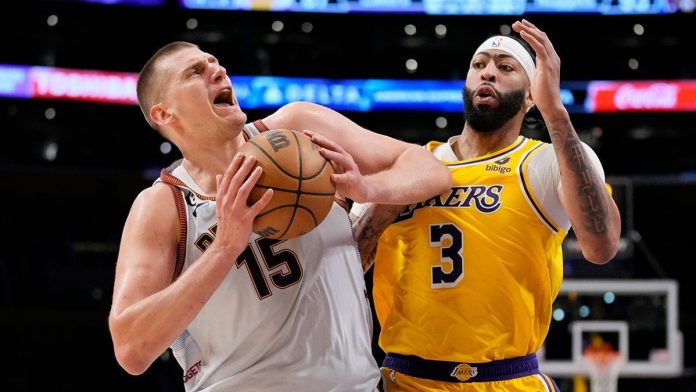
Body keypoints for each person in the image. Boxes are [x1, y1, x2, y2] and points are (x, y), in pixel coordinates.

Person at [107, 41, 452, 391]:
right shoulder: (164, 204)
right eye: (195, 72)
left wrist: (367, 189)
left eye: (215, 62)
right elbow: (132, 349)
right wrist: (224, 248)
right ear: (164, 113)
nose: (218, 70)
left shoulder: (299, 129)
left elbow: (431, 171)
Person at [353, 19, 622, 391]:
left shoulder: (547, 161)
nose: (489, 73)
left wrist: (555, 112)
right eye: (479, 65)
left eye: (505, 67)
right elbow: (348, 266)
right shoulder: (413, 165)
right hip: (406, 380)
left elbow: (602, 245)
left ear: (531, 97)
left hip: (509, 378)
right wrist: (376, 200)